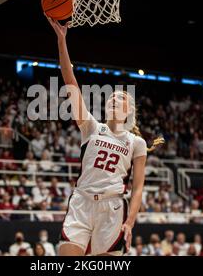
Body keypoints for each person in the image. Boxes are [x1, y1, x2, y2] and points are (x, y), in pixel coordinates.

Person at [46, 17, 164, 256]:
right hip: (81, 201)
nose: (113, 99)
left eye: (120, 98)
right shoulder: (91, 126)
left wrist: (129, 223)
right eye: (111, 97)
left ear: (129, 111)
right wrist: (61, 40)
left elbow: (138, 187)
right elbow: (70, 82)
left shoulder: (136, 143)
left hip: (112, 208)